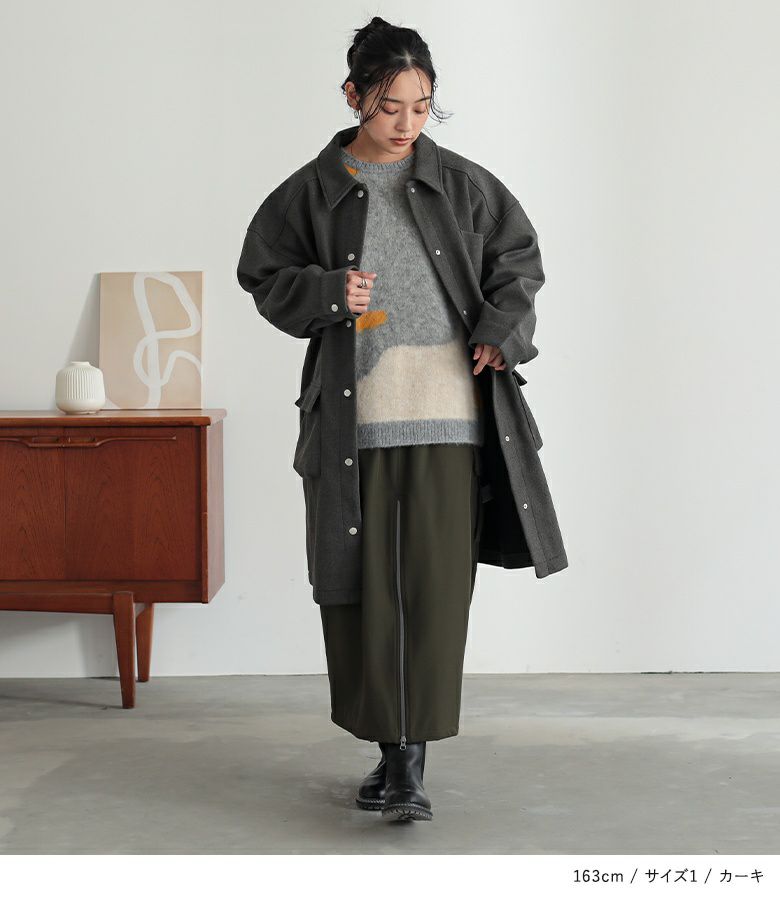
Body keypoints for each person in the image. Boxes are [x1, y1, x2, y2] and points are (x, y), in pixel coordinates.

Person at [237, 16, 565, 823]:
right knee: (361, 596)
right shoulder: (310, 191)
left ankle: (410, 767)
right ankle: (389, 755)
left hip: (451, 420)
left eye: (422, 107)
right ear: (353, 96)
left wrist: (500, 330)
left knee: (434, 593)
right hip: (355, 426)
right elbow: (263, 274)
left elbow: (519, 261)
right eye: (390, 107)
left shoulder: (465, 185)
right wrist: (325, 293)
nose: (407, 122)